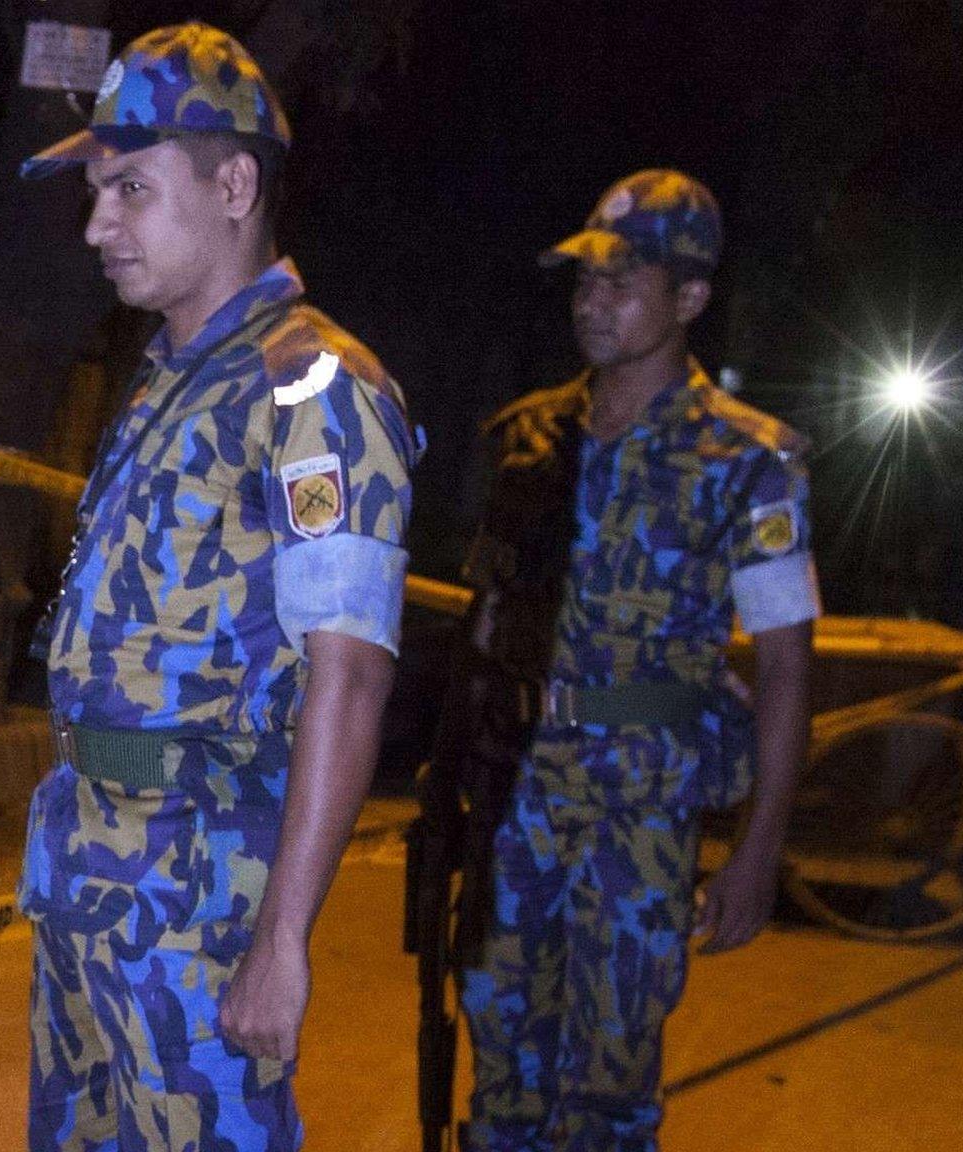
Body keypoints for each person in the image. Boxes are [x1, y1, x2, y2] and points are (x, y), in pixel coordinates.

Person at [14, 22, 420, 1150]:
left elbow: (348, 671)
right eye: (95, 193)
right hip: (93, 874)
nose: (98, 226)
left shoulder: (313, 391)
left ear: (233, 183)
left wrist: (282, 936)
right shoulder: (169, 376)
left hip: (202, 897)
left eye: (129, 190)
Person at [454, 169, 818, 1151]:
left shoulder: (748, 460)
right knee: (495, 1079)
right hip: (513, 797)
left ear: (688, 299)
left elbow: (784, 667)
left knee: (606, 1096)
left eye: (620, 283)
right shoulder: (527, 435)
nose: (591, 303)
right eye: (582, 282)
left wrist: (755, 849)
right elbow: (486, 625)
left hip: (640, 815)